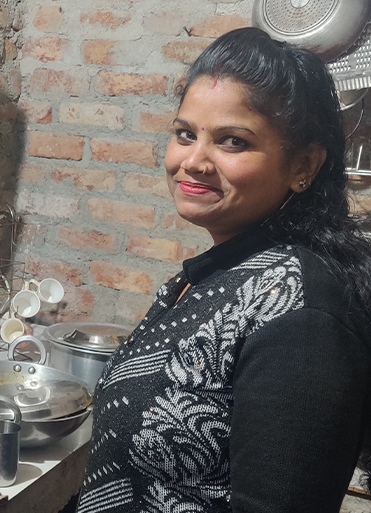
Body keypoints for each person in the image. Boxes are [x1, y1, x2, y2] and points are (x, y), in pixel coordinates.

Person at [76, 27, 371, 513]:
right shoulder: (225, 269)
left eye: (233, 141)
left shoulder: (300, 315)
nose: (193, 161)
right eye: (185, 134)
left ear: (304, 165)